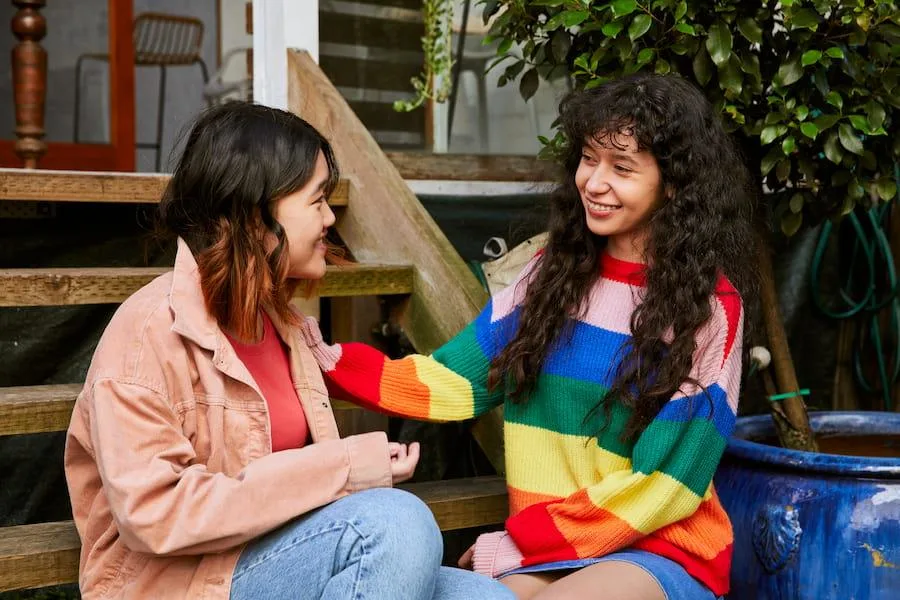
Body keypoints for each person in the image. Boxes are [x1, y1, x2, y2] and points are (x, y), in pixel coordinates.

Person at [300, 72, 758, 600]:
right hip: (557, 549)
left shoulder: (709, 307)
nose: (595, 182)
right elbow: (456, 380)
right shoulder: (549, 275)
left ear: (673, 184)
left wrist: (521, 542)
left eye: (623, 168)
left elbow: (666, 486)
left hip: (660, 546)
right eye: (589, 159)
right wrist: (327, 364)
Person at [64, 102, 515, 600]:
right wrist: (343, 467)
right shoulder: (148, 332)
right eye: (317, 200)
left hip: (275, 557)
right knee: (395, 523)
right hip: (179, 583)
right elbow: (155, 515)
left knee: (485, 597)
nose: (329, 218)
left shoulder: (284, 325)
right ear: (254, 213)